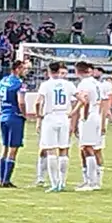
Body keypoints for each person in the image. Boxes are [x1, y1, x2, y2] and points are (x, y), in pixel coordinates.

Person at [35, 62, 80, 193]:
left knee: (50, 150)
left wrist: (39, 115)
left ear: (49, 71)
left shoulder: (46, 85)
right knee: (64, 150)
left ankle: (54, 183)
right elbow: (82, 99)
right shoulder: (69, 85)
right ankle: (62, 182)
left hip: (50, 117)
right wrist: (73, 112)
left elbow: (38, 102)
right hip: (64, 117)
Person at [0, 60, 28, 188]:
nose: (25, 71)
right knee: (13, 149)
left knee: (4, 148)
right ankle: (6, 180)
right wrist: (24, 114)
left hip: (4, 117)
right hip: (15, 117)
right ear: (17, 69)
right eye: (23, 69)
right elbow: (21, 102)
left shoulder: (3, 81)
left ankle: (1, 179)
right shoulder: (19, 84)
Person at [74, 61, 107, 191]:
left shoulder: (84, 84)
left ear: (78, 71)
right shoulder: (97, 83)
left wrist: (84, 115)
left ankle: (91, 182)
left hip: (89, 116)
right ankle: (94, 180)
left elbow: (85, 100)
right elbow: (103, 102)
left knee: (87, 148)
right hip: (97, 115)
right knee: (91, 147)